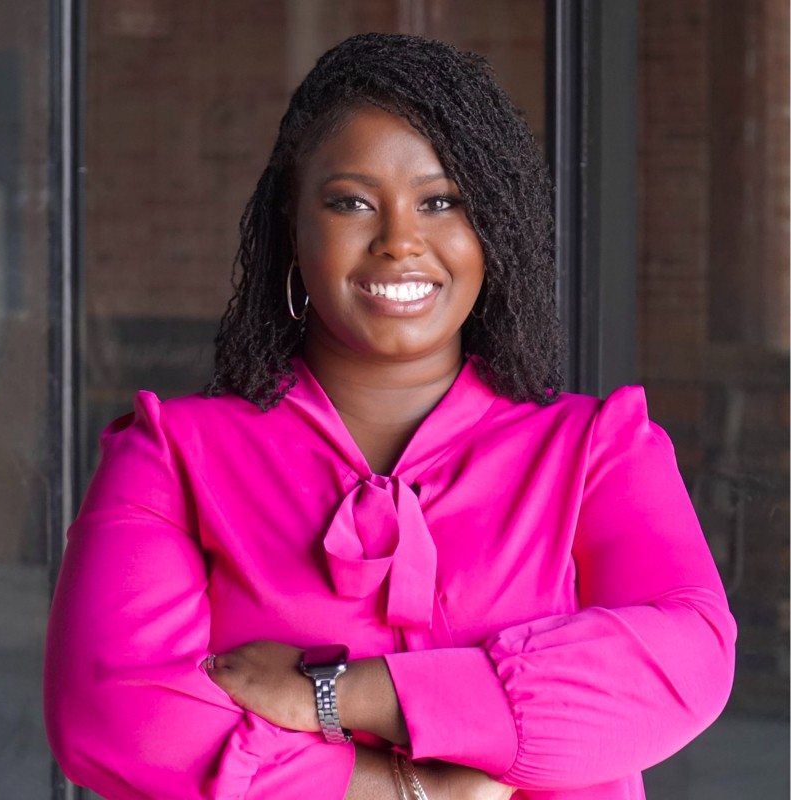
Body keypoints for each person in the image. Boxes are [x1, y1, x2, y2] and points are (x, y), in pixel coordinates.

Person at [44, 32, 736, 800]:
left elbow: (688, 662)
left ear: (491, 227)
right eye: (351, 202)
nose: (400, 241)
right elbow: (111, 716)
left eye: (441, 202)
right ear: (293, 223)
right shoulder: (172, 455)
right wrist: (405, 787)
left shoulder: (596, 450)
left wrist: (343, 694)